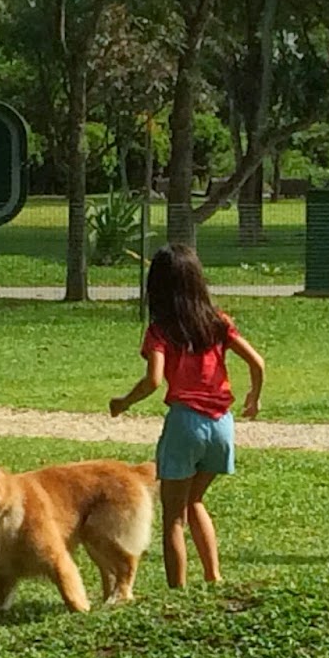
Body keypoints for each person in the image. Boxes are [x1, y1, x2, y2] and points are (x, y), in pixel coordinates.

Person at [109, 244, 265, 588]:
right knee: (196, 500)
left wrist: (124, 402)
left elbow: (154, 379)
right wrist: (253, 397)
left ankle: (178, 591)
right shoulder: (218, 323)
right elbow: (257, 362)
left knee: (173, 518)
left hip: (186, 423)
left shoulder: (162, 330)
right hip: (222, 424)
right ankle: (213, 576)